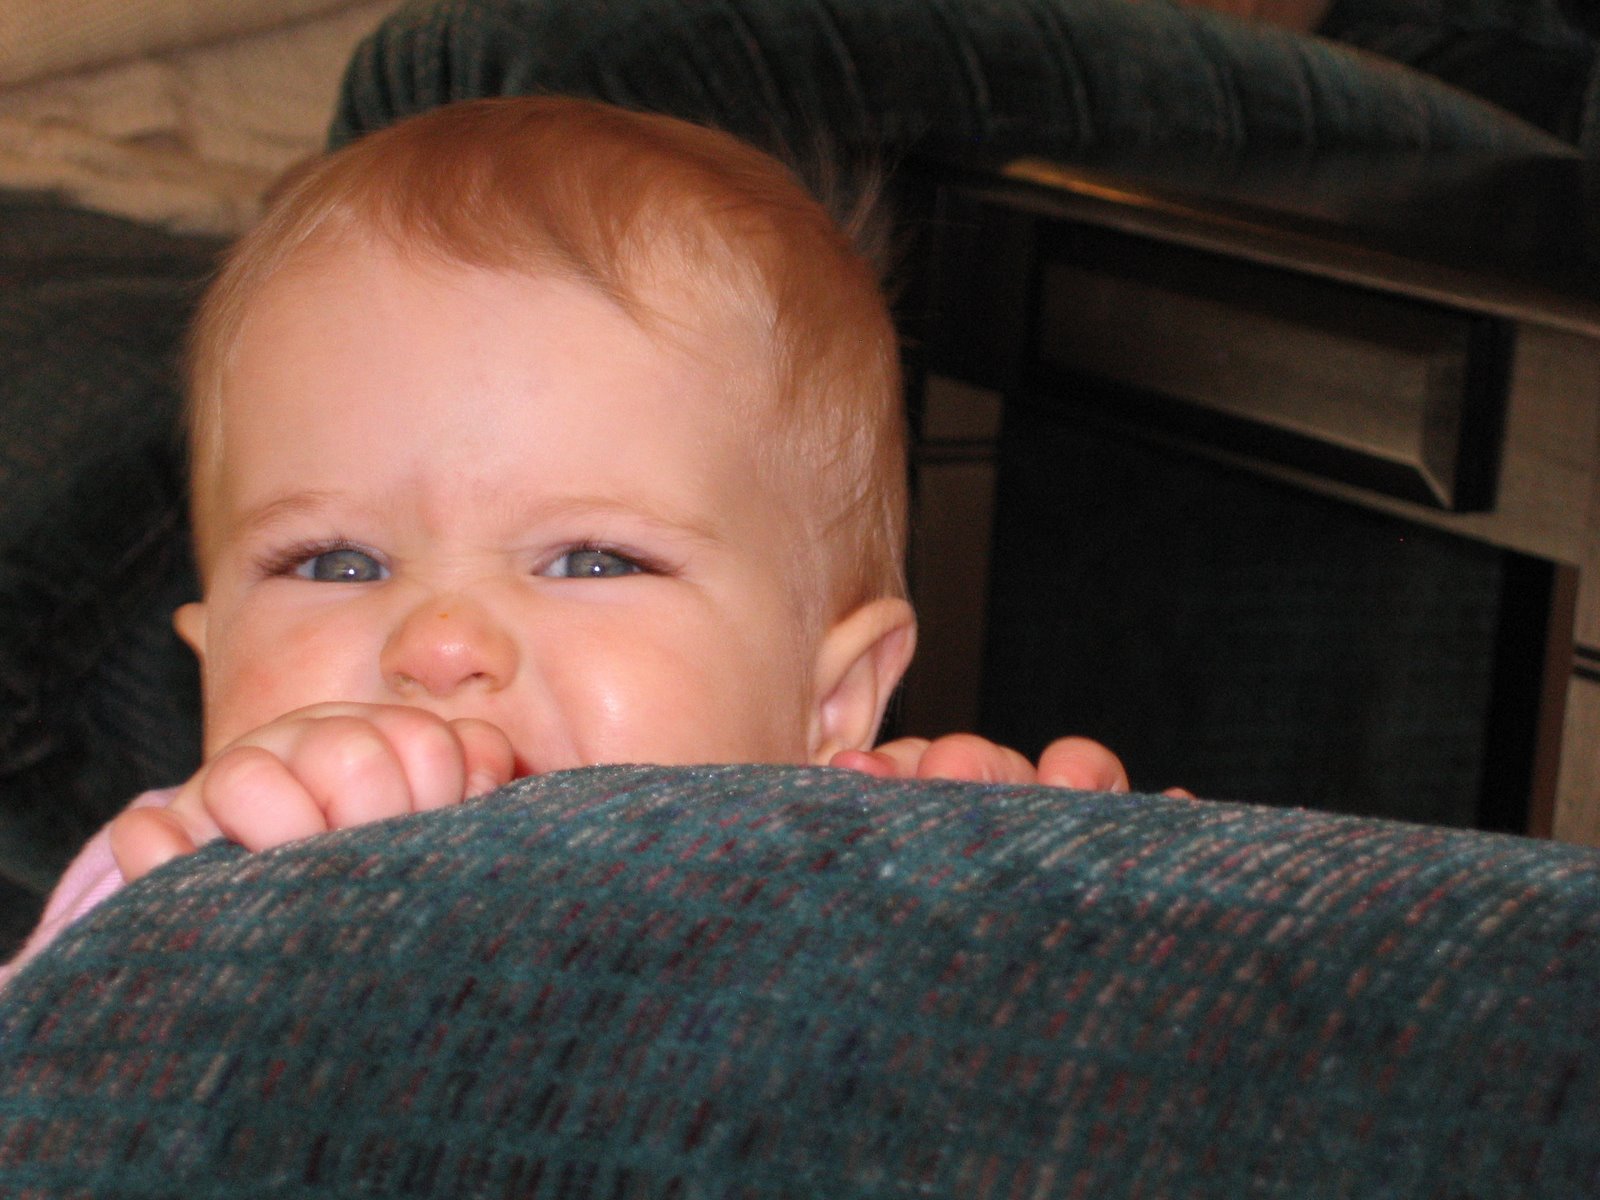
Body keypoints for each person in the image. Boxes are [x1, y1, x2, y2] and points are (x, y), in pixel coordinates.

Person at [3, 96, 1145, 983]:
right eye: (334, 563)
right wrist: (185, 917)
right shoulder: (171, 871)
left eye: (592, 561)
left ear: (833, 701)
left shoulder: (862, 873)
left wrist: (1059, 894)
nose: (439, 643)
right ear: (210, 660)